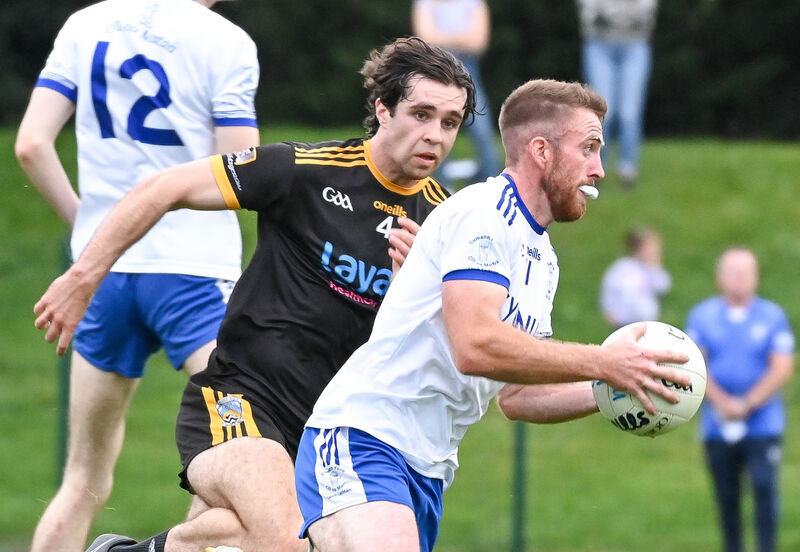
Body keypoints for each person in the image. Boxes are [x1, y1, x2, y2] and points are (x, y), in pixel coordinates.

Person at [33, 37, 477, 552]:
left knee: (234, 540)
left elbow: (454, 348)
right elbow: (162, 188)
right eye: (421, 114)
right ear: (382, 110)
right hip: (241, 400)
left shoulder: (444, 226)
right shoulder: (303, 171)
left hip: (333, 434)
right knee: (287, 541)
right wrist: (83, 276)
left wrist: (418, 287)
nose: (435, 136)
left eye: (450, 122)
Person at [294, 78, 692, 552]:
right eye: (589, 148)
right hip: (364, 436)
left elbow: (519, 397)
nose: (599, 169)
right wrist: (605, 362)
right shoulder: (483, 214)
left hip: (427, 470)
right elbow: (475, 345)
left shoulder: (543, 260)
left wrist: (615, 388)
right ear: (541, 150)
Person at [14, 1, 259, 551]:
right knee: (248, 471)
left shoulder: (85, 23)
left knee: (81, 481)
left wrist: (94, 234)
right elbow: (243, 169)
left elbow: (31, 145)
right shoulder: (225, 41)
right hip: (193, 275)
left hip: (105, 280)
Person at [685, 248, 795, 552]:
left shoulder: (772, 316)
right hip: (718, 424)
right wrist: (722, 403)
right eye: (734, 272)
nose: (741, 279)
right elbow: (694, 363)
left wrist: (748, 403)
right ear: (720, 277)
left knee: (764, 487)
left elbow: (782, 366)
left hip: (762, 423)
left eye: (747, 272)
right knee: (726, 495)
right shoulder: (703, 315)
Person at [412, 0, 502, 187]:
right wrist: (462, 39)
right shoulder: (426, 3)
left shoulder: (472, 3)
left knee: (482, 129)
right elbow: (426, 39)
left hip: (468, 71)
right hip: (434, 70)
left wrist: (442, 39)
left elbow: (478, 42)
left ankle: (492, 183)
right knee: (434, 127)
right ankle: (438, 186)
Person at [576, 0, 659, 188]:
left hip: (635, 45)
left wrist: (611, 14)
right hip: (598, 45)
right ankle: (596, 168)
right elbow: (590, 14)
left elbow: (645, 12)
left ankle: (628, 170)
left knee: (630, 113)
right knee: (602, 111)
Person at [600, 226, 671, 328]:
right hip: (624, 323)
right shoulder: (622, 268)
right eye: (651, 247)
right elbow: (611, 289)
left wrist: (655, 267)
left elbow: (663, 286)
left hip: (648, 323)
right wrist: (609, 310)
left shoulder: (651, 268)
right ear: (638, 248)